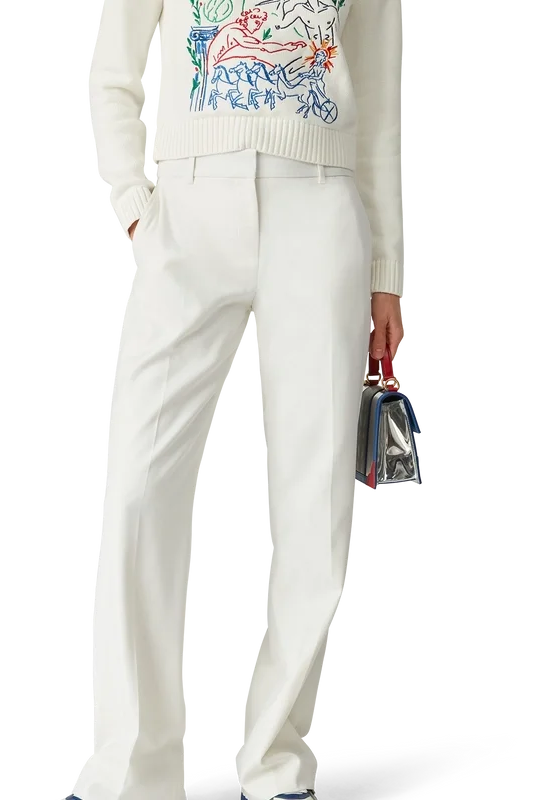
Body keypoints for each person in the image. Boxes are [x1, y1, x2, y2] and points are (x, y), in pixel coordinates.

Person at [74, 1, 405, 799]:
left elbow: (380, 106)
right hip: (186, 210)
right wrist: (135, 205)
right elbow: (112, 75)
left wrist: (388, 274)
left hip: (320, 207)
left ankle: (277, 762)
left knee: (316, 499)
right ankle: (131, 765)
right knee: (139, 486)